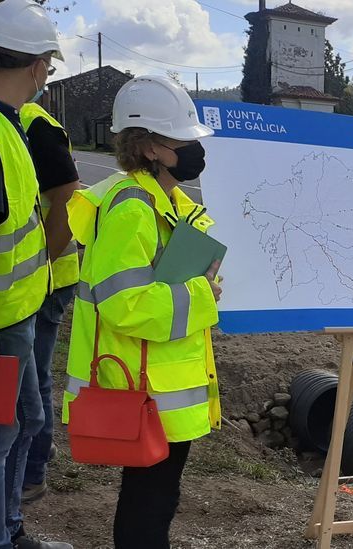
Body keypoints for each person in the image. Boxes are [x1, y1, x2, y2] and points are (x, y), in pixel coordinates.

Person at [60, 75, 223, 549]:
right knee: (148, 503)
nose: (194, 148)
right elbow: (123, 303)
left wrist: (199, 287)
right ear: (150, 147)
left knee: (157, 498)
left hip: (160, 384)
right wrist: (201, 296)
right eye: (182, 139)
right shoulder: (133, 210)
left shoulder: (165, 202)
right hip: (143, 387)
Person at [0, 1, 73, 547]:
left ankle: (10, 531)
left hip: (16, 317)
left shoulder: (5, 119)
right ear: (39, 66)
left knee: (25, 424)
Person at [19, 89, 82, 504]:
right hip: (26, 278)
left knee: (34, 378)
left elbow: (68, 198)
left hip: (46, 279)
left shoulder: (34, 123)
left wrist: (41, 268)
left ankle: (32, 471)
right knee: (30, 376)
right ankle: (39, 448)